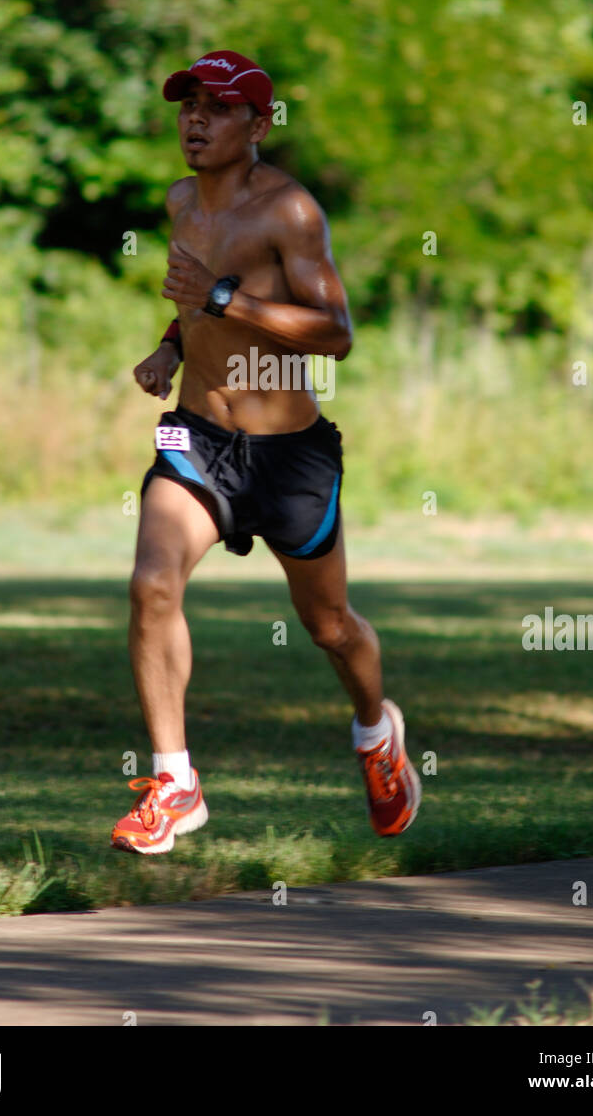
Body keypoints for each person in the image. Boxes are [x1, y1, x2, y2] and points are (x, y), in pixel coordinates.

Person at [111, 50, 421, 854]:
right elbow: (194, 302)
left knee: (327, 625)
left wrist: (223, 298)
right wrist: (172, 347)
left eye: (217, 108)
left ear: (258, 124)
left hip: (288, 454)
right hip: (198, 440)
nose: (195, 120)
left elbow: (335, 335)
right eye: (187, 105)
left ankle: (373, 734)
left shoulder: (290, 211)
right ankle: (174, 784)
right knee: (151, 586)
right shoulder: (182, 200)